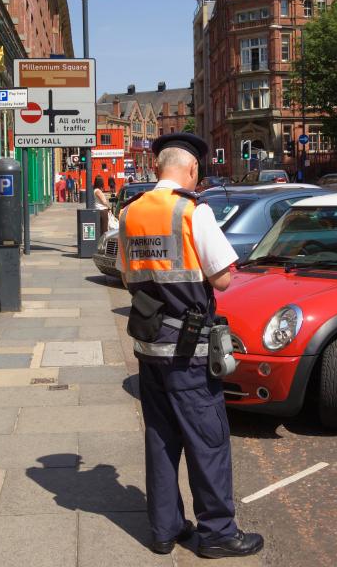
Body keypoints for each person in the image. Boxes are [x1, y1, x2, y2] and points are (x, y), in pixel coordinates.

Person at [116, 133, 263, 559]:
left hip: (149, 348)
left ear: (158, 166)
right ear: (192, 169)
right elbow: (222, 278)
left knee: (161, 438)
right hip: (189, 350)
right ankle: (217, 532)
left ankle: (164, 530)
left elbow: (128, 278)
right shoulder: (191, 212)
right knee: (208, 441)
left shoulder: (129, 214)